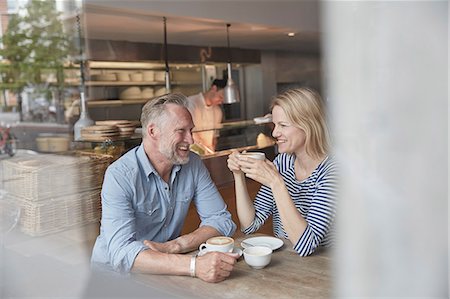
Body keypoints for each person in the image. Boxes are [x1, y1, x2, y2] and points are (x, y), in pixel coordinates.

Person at [91, 93, 239, 283]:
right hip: (115, 279)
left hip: (165, 269)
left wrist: (176, 246)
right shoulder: (120, 175)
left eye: (191, 130)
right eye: (181, 131)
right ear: (153, 132)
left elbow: (222, 220)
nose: (191, 140)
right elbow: (122, 253)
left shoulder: (192, 164)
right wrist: (194, 265)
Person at [227, 88, 338, 256]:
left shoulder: (332, 172)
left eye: (283, 125)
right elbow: (250, 225)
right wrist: (238, 175)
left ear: (308, 126)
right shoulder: (283, 162)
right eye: (274, 124)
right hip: (287, 264)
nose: (274, 133)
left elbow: (306, 245)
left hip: (322, 270)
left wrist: (276, 183)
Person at [187, 79, 226, 151]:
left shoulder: (218, 111)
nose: (221, 102)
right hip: (193, 151)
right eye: (220, 97)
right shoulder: (191, 103)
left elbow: (215, 136)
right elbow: (190, 132)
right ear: (214, 88)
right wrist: (203, 150)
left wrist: (212, 151)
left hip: (208, 152)